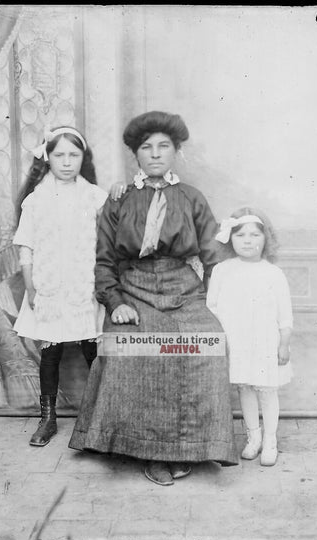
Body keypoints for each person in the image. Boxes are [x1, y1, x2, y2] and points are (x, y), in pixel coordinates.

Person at [69, 111, 239, 485]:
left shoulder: (192, 198)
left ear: (176, 152)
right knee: (136, 347)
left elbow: (214, 256)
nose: (156, 154)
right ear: (136, 155)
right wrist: (116, 303)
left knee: (208, 344)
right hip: (134, 290)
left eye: (164, 146)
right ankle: (151, 451)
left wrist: (221, 300)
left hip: (184, 290)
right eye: (147, 147)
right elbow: (105, 261)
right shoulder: (120, 199)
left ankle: (197, 445)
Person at [13, 126, 108, 447]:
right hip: (48, 287)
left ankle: (100, 415)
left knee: (91, 350)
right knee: (50, 353)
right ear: (48, 158)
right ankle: (48, 418)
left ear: (84, 158)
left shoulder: (96, 198)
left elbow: (107, 246)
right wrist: (31, 289)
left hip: (86, 287)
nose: (67, 162)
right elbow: (26, 247)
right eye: (59, 155)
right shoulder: (36, 200)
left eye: (74, 155)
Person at [207, 207, 293, 466]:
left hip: (266, 342)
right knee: (245, 387)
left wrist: (284, 343)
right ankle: (252, 438)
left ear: (266, 239)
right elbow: (212, 308)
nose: (247, 240)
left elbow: (285, 315)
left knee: (267, 390)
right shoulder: (222, 270)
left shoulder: (273, 273)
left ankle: (270, 440)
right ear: (230, 239)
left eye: (255, 235)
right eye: (241, 235)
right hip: (237, 342)